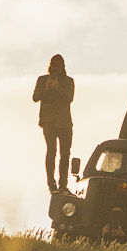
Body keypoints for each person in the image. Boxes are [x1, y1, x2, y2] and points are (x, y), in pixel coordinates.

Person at [33, 55, 75, 195]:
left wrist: (58, 88)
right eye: (54, 67)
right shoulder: (42, 80)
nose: (56, 71)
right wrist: (47, 89)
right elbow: (35, 97)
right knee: (51, 151)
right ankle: (51, 184)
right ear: (50, 66)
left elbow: (69, 99)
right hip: (48, 121)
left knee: (65, 155)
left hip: (65, 122)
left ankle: (63, 185)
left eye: (58, 68)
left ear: (63, 67)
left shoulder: (69, 81)